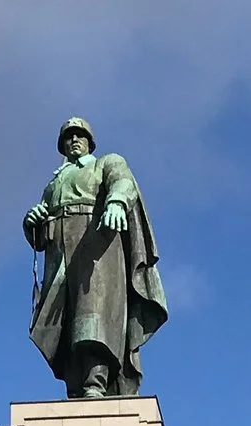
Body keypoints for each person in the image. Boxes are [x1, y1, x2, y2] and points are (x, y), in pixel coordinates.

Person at [23, 118, 169, 398]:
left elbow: (123, 182)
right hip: (60, 255)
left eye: (80, 135)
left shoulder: (105, 162)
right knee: (63, 323)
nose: (74, 140)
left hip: (96, 244)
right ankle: (76, 385)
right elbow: (39, 235)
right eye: (68, 137)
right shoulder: (54, 182)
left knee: (93, 317)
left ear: (90, 141)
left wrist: (115, 202)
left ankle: (96, 382)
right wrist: (32, 222)